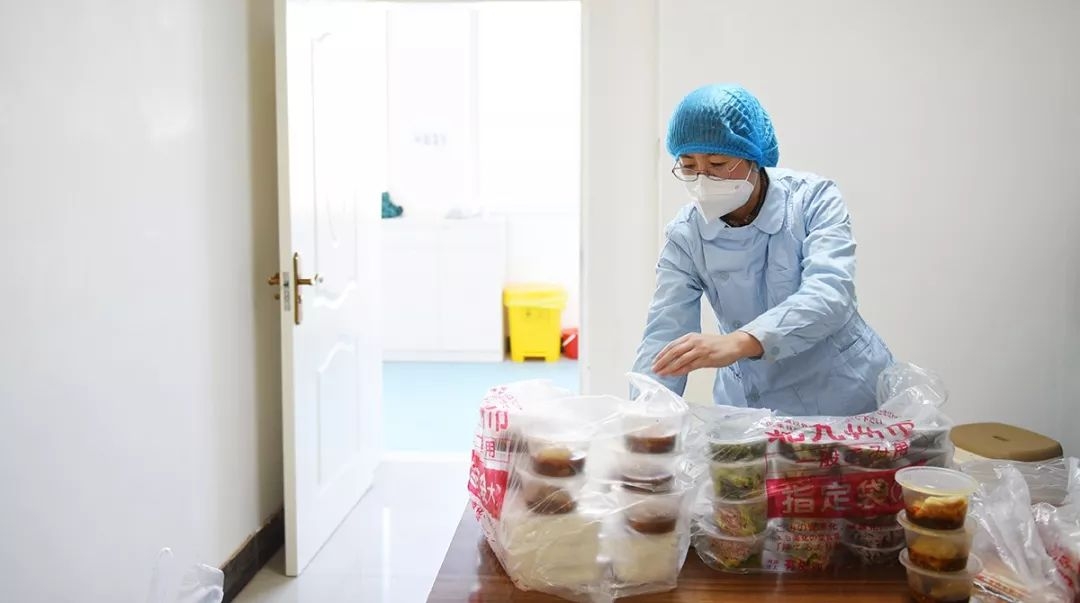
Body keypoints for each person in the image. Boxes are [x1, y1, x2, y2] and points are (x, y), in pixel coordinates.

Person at [632, 83, 892, 416]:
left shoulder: (812, 200)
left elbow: (830, 295)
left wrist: (739, 342)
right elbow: (665, 331)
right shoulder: (686, 234)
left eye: (717, 162)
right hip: (753, 405)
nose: (702, 179)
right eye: (688, 166)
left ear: (754, 157)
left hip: (843, 392)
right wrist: (645, 412)